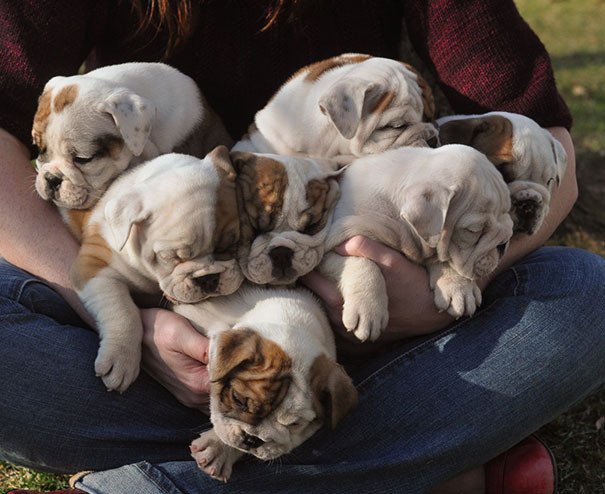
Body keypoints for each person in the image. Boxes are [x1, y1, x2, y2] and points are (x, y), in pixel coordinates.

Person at [1, 1, 603, 493]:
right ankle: (413, 447)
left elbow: (553, 153)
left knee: (582, 297)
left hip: (380, 296)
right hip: (150, 297)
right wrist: (122, 320)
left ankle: (204, 466)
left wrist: (429, 299)